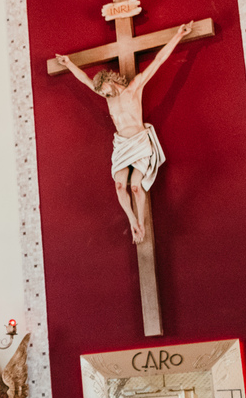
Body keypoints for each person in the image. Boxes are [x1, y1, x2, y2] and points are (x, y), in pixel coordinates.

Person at [55, 21, 193, 244]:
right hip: (121, 144)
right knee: (120, 185)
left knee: (136, 186)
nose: (102, 94)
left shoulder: (134, 88)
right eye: (100, 91)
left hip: (138, 140)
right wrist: (69, 63)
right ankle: (132, 222)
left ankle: (143, 222)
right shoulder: (107, 97)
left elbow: (158, 61)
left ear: (109, 80)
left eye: (103, 89)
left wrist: (178, 35)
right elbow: (84, 80)